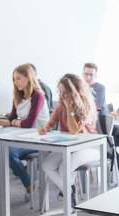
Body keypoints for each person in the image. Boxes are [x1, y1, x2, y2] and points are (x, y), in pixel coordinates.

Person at [0, 64, 50, 197]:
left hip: (39, 139)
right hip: (23, 137)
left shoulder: (38, 96)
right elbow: (12, 119)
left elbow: (29, 123)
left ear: (28, 78)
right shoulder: (18, 96)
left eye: (18, 78)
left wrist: (13, 123)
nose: (15, 82)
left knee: (7, 151)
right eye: (14, 79)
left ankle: (28, 183)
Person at [40, 73, 99, 207]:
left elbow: (74, 130)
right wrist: (46, 128)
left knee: (63, 168)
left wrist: (70, 109)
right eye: (60, 92)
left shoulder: (86, 105)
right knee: (47, 165)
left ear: (75, 91)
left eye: (65, 92)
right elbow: (51, 123)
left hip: (90, 147)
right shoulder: (61, 105)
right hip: (70, 147)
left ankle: (69, 197)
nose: (62, 96)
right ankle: (69, 190)